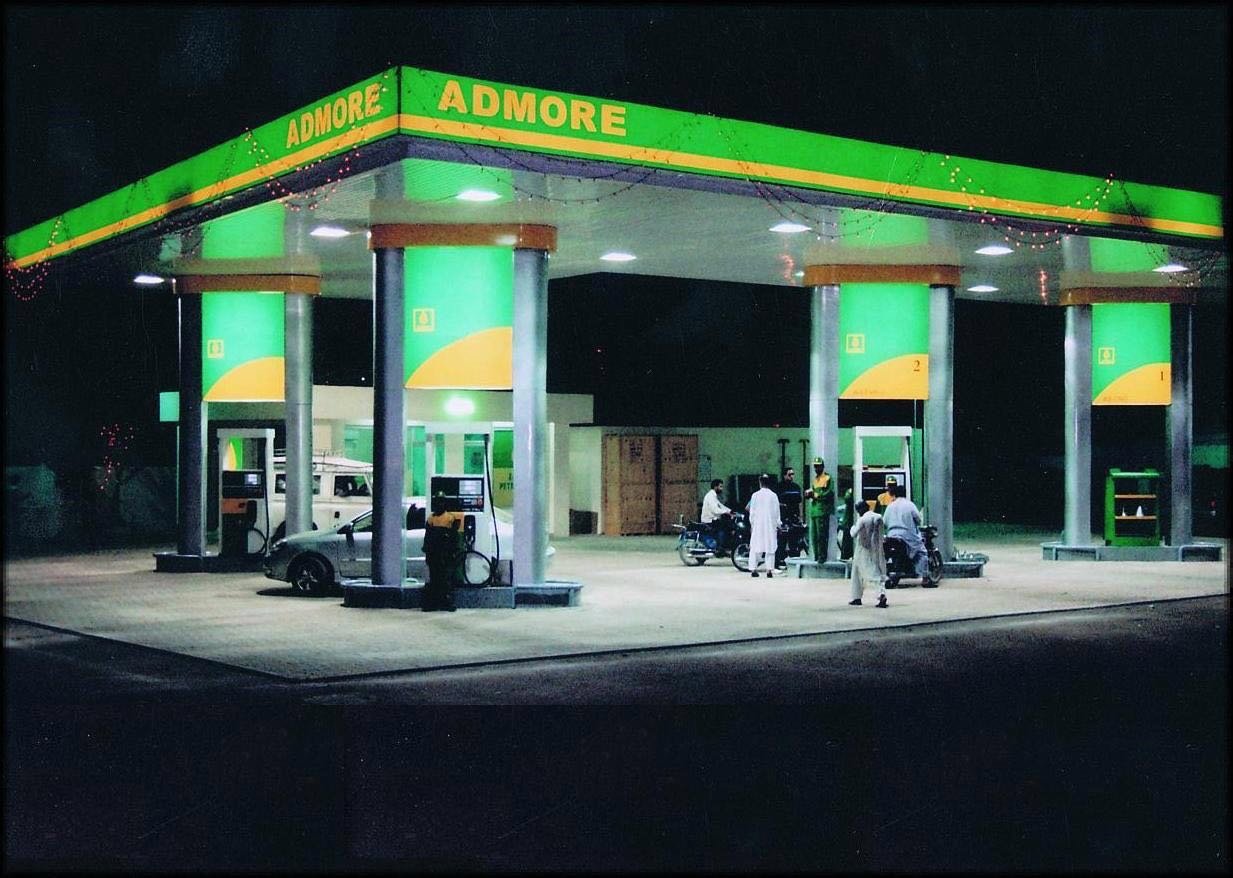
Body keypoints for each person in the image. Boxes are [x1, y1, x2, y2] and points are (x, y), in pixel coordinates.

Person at [422, 495, 464, 611]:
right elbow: (427, 536)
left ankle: (446, 602)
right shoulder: (431, 519)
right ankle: (434, 602)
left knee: (445, 579)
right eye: (437, 503)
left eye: (441, 502)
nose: (439, 505)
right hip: (434, 554)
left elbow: (454, 537)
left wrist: (453, 551)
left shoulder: (450, 518)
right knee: (434, 578)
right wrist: (427, 550)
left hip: (445, 553)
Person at [883, 481, 929, 579]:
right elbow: (918, 519)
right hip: (907, 536)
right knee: (922, 552)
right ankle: (925, 577)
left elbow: (885, 522)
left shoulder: (890, 506)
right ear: (905, 493)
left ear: (895, 494)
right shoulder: (910, 505)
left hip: (891, 535)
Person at [848, 506, 889, 608]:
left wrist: (852, 528)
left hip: (863, 549)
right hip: (876, 548)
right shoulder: (877, 517)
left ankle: (880, 594)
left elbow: (854, 534)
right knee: (860, 572)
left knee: (871, 572)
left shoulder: (862, 519)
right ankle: (856, 597)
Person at [745, 473, 781, 578]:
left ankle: (753, 569)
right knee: (770, 547)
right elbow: (777, 513)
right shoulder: (773, 496)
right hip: (770, 526)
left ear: (760, 483)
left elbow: (752, 512)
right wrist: (778, 525)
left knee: (755, 546)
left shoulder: (755, 495)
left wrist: (752, 525)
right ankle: (769, 570)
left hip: (757, 526)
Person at [804, 457, 836, 563]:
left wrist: (816, 495)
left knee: (821, 535)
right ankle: (816, 556)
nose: (816, 468)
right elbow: (813, 492)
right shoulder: (815, 479)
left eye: (818, 466)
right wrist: (809, 494)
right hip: (814, 511)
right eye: (815, 466)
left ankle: (822, 557)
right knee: (814, 536)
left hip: (822, 511)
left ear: (822, 466)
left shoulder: (827, 478)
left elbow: (829, 493)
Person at [700, 478, 734, 555]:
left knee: (725, 526)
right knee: (725, 529)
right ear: (715, 487)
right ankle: (720, 548)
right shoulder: (710, 496)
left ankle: (721, 547)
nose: (722, 489)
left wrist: (730, 511)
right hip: (709, 521)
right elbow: (715, 510)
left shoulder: (713, 496)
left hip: (712, 520)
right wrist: (726, 512)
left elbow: (720, 505)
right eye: (720, 486)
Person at [835, 486, 856, 561]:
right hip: (848, 522)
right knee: (846, 541)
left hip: (851, 521)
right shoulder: (850, 492)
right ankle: (845, 556)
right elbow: (847, 499)